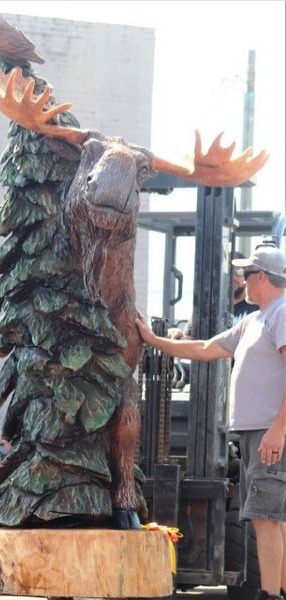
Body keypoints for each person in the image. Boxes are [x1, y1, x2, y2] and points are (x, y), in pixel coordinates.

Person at [135, 244, 286, 600]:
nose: (242, 281)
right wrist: (153, 340)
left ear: (261, 277)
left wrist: (279, 428)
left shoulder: (281, 313)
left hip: (270, 431)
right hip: (255, 432)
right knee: (272, 519)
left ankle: (269, 594)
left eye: (246, 275)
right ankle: (279, 589)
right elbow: (205, 349)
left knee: (266, 519)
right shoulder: (253, 320)